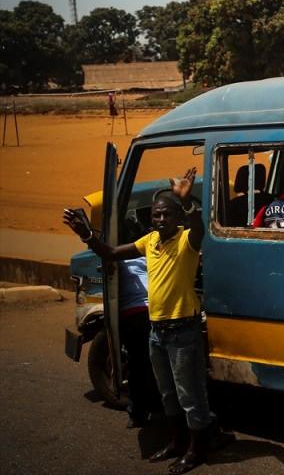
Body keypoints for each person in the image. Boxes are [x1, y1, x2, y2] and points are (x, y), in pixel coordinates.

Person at [63, 168, 232, 475]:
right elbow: (112, 252)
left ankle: (196, 450)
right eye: (156, 215)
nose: (160, 220)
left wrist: (187, 200)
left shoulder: (186, 241)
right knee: (167, 393)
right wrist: (86, 234)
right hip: (157, 330)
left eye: (166, 215)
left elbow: (198, 227)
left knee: (188, 395)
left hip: (183, 329)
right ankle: (177, 442)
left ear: (177, 216)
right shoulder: (150, 241)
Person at [117, 255, 162, 428]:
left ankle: (141, 410)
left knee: (142, 364)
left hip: (151, 312)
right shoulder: (121, 259)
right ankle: (139, 410)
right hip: (138, 314)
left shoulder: (148, 255)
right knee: (141, 363)